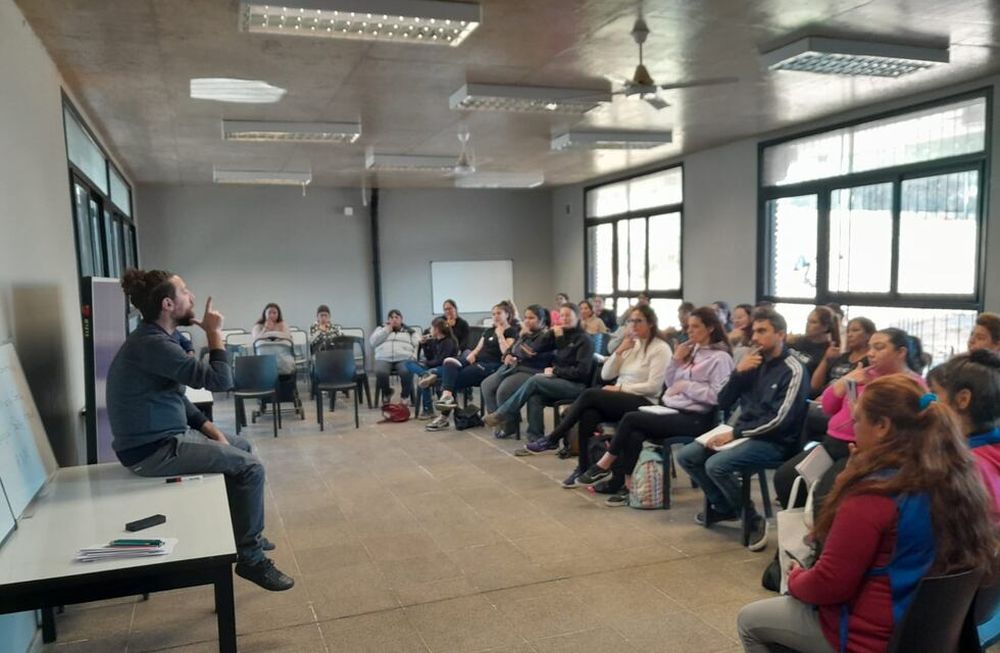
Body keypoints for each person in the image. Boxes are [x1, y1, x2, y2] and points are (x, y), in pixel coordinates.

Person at [737, 375, 1000, 653]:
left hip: (870, 637)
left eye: (857, 420)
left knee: (750, 620)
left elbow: (829, 584)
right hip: (936, 633)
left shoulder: (873, 495)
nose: (853, 430)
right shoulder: (959, 480)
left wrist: (795, 578)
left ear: (882, 426)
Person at [107, 269, 293, 591]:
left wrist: (209, 428)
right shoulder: (153, 344)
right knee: (251, 468)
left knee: (242, 447)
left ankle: (245, 535)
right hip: (155, 450)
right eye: (184, 291)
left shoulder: (154, 339)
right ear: (167, 304)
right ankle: (251, 559)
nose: (191, 296)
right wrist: (213, 333)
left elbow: (174, 396)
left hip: (163, 439)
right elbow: (220, 382)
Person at [676, 307, 809, 551]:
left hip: (775, 441)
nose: (755, 337)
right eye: (754, 331)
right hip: (742, 432)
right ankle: (724, 507)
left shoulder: (793, 369)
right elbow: (722, 401)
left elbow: (779, 420)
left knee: (716, 465)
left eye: (762, 331)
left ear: (780, 334)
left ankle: (752, 519)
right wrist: (738, 373)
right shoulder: (753, 362)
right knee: (687, 456)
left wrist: (735, 434)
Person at [574, 306, 735, 504]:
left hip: (698, 418)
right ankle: (628, 486)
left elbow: (719, 397)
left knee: (631, 418)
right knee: (634, 433)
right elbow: (670, 382)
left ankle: (603, 464)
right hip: (673, 409)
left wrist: (687, 386)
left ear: (710, 328)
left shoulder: (720, 358)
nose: (689, 331)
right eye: (688, 326)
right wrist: (676, 360)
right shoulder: (691, 350)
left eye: (695, 327)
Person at [775, 327, 927, 514]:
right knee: (785, 477)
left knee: (824, 496)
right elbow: (828, 407)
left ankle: (822, 528)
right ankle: (803, 524)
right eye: (870, 347)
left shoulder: (911, 385)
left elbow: (906, 428)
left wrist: (861, 414)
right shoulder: (863, 373)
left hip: (863, 450)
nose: (871, 353)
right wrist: (845, 381)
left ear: (901, 352)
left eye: (879, 347)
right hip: (832, 443)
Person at [517, 306, 671, 487]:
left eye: (639, 321)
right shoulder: (632, 345)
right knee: (588, 414)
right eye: (630, 321)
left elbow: (653, 387)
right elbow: (606, 374)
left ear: (651, 323)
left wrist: (620, 388)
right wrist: (619, 351)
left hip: (645, 401)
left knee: (590, 394)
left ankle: (553, 438)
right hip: (622, 398)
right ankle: (583, 467)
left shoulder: (660, 348)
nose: (633, 325)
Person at [483, 303, 594, 441]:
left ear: (577, 317)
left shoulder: (584, 340)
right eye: (562, 315)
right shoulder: (559, 334)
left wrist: (556, 371)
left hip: (576, 385)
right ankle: (535, 437)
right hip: (558, 380)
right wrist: (550, 334)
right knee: (535, 395)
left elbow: (581, 372)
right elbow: (534, 349)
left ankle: (502, 414)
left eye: (568, 315)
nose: (564, 318)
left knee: (535, 380)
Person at [929, 349, 1000, 513]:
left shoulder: (964, 469)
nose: (931, 404)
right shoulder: (990, 451)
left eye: (935, 394)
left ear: (963, 399)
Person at [427, 303, 517, 430]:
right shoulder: (488, 331)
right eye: (493, 314)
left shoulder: (511, 331)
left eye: (499, 313)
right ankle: (447, 396)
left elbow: (507, 352)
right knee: (449, 362)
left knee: (448, 382)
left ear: (507, 315)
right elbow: (477, 349)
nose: (495, 316)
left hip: (492, 367)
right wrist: (472, 355)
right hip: (477, 362)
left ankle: (444, 414)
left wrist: (500, 335)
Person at [479, 305, 553, 438]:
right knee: (487, 385)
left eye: (531, 318)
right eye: (526, 318)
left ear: (541, 320)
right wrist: (508, 354)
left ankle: (509, 425)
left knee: (504, 390)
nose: (527, 321)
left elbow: (529, 352)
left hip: (533, 370)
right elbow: (512, 349)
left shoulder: (546, 335)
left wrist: (517, 348)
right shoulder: (526, 333)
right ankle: (498, 421)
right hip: (516, 367)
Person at [406, 318, 459, 420]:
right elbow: (430, 357)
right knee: (408, 363)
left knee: (424, 380)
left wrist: (426, 363)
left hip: (443, 368)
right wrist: (424, 344)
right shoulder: (435, 341)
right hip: (432, 367)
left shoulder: (448, 342)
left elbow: (441, 361)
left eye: (431, 328)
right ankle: (425, 374)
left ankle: (428, 410)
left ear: (437, 329)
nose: (430, 330)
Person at [809, 316, 875, 395]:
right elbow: (815, 385)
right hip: (822, 397)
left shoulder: (871, 360)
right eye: (848, 331)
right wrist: (826, 359)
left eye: (855, 330)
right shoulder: (842, 357)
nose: (849, 334)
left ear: (869, 335)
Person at [370, 309, 420, 405]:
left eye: (396, 317)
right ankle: (387, 393)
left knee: (407, 371)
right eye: (391, 317)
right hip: (384, 358)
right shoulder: (381, 329)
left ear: (401, 319)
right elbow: (373, 342)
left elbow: (418, 344)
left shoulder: (410, 331)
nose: (394, 319)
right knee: (380, 371)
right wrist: (386, 330)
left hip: (404, 357)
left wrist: (414, 356)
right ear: (388, 320)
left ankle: (405, 396)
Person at [788, 306, 840, 378]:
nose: (807, 325)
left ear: (825, 327)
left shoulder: (828, 351)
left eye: (813, 322)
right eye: (808, 321)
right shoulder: (795, 341)